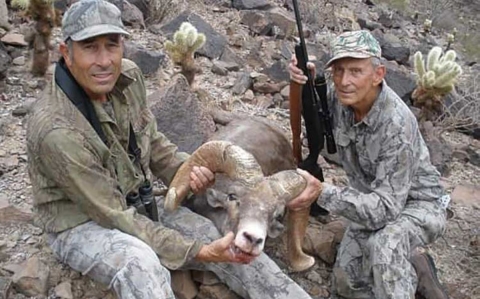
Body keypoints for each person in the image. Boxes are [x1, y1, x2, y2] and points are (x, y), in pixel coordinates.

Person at [26, 1, 313, 298]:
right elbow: (113, 216)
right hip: (84, 221)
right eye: (89, 47)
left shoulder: (128, 77)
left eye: (111, 45)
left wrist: (187, 171)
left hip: (138, 199)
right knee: (140, 263)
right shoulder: (57, 131)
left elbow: (152, 141)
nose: (104, 60)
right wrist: (199, 251)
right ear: (66, 53)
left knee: (223, 235)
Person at [288, 30, 450, 299]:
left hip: (417, 205)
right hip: (370, 198)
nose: (344, 81)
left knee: (385, 244)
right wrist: (300, 81)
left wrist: (323, 192)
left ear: (378, 74)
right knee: (345, 285)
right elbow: (309, 110)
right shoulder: (338, 99)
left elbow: (387, 209)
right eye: (338, 71)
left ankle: (410, 269)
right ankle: (415, 267)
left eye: (355, 71)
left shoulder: (397, 125)